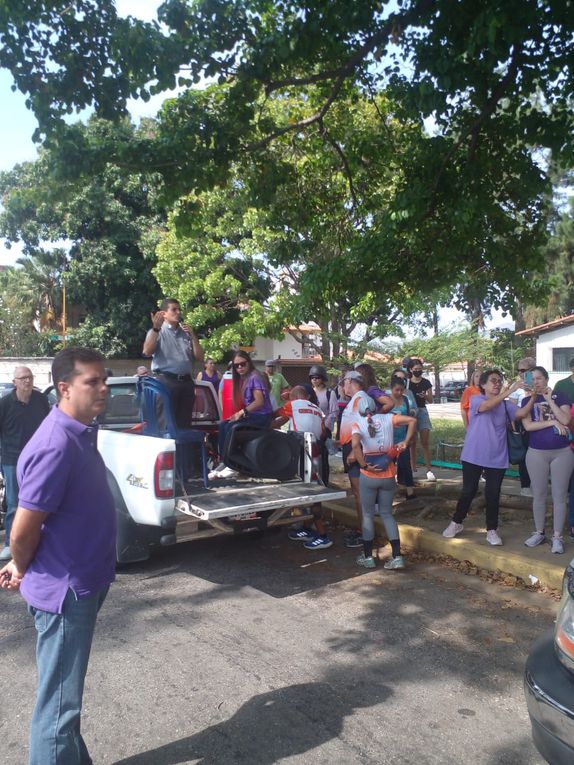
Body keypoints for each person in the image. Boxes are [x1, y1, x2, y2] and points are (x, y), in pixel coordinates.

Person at [0, 346, 116, 765]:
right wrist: (21, 561)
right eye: (93, 382)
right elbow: (23, 528)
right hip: (66, 594)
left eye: (104, 379)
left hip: (81, 582)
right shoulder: (56, 444)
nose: (104, 388)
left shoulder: (78, 431)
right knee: (58, 709)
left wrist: (18, 564)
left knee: (64, 702)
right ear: (64, 388)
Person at [442, 370, 526, 546]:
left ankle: (492, 530)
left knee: (493, 493)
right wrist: (510, 390)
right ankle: (457, 522)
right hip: (473, 454)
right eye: (493, 381)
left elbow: (521, 413)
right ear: (483, 385)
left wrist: (534, 396)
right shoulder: (476, 400)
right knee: (469, 490)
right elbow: (487, 407)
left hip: (497, 457)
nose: (497, 383)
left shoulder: (505, 405)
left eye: (499, 381)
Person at [351, 397, 416, 569]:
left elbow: (356, 444)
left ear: (360, 410)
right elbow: (412, 420)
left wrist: (364, 465)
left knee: (368, 515)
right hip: (388, 475)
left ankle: (368, 557)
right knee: (387, 514)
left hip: (369, 474)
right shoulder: (389, 418)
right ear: (376, 407)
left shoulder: (358, 423)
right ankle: (397, 556)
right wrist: (405, 442)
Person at [521, 366, 574, 554]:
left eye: (539, 378)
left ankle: (557, 536)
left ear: (546, 379)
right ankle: (539, 532)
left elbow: (566, 419)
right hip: (536, 452)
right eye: (532, 379)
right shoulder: (527, 399)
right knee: (539, 494)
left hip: (562, 453)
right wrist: (551, 422)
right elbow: (528, 426)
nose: (536, 382)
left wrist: (550, 400)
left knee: (560, 496)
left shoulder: (560, 396)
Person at [0, 366, 50, 561]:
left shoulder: (40, 400)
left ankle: (36, 542)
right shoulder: (4, 404)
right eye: (22, 378)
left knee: (39, 501)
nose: (27, 381)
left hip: (37, 460)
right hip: (12, 460)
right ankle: (9, 545)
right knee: (14, 504)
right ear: (15, 382)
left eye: (29, 377)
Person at [274, 386, 332, 550]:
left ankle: (323, 536)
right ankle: (304, 528)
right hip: (316, 455)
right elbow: (322, 434)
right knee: (308, 492)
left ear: (293, 397)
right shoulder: (317, 409)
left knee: (311, 496)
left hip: (302, 455)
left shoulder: (293, 405)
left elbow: (275, 416)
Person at [142, 297, 204, 428]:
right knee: (166, 426)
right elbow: (147, 351)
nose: (178, 312)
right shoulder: (157, 331)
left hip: (186, 383)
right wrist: (155, 329)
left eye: (179, 309)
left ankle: (181, 448)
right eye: (174, 309)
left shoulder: (186, 333)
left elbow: (200, 357)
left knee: (184, 427)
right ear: (163, 313)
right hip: (166, 382)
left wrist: (193, 336)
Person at [212, 351, 273, 479]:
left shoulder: (255, 377)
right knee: (223, 424)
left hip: (262, 416)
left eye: (242, 364)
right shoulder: (243, 379)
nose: (240, 368)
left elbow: (259, 401)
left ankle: (231, 463)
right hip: (252, 415)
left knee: (231, 428)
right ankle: (225, 460)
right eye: (236, 366)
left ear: (249, 363)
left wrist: (241, 413)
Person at [339, 371, 373, 548]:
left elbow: (368, 424)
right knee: (358, 492)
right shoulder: (356, 399)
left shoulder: (360, 399)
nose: (343, 386)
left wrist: (355, 450)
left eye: (343, 382)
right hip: (351, 447)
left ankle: (365, 534)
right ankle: (363, 531)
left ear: (349, 381)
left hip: (356, 449)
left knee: (360, 493)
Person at [381, 375, 417, 499]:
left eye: (402, 390)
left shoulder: (406, 400)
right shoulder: (386, 400)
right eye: (397, 390)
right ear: (391, 389)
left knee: (406, 465)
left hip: (403, 439)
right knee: (389, 465)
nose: (399, 392)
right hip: (389, 439)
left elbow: (411, 416)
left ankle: (410, 491)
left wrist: (409, 438)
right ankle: (388, 491)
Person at [508, 356, 536, 496]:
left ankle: (537, 484)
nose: (520, 373)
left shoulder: (538, 384)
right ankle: (525, 485)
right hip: (521, 424)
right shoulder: (517, 387)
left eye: (523, 370)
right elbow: (511, 408)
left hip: (538, 422)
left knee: (537, 454)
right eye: (518, 370)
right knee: (524, 455)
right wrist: (513, 428)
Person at [308, 364, 338, 483]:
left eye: (317, 377)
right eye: (312, 377)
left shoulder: (330, 393)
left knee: (323, 458)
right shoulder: (308, 393)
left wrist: (325, 427)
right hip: (310, 429)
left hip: (325, 430)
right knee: (310, 457)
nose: (314, 380)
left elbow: (334, 412)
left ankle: (324, 482)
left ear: (322, 378)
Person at [407, 359, 436, 481]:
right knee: (412, 442)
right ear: (410, 370)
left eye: (420, 369)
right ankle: (413, 468)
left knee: (425, 442)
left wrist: (424, 396)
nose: (418, 371)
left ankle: (429, 469)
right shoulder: (407, 383)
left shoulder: (426, 382)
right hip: (411, 412)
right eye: (416, 369)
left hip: (423, 411)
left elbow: (431, 400)